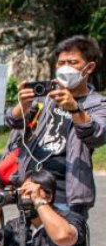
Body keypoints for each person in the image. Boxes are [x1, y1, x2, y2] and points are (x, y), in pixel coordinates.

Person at [6, 35, 106, 215]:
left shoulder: (98, 104)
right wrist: (22, 106)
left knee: (63, 233)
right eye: (61, 63)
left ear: (89, 67)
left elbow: (97, 136)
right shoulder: (46, 95)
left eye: (72, 62)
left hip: (65, 193)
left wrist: (75, 109)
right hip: (30, 184)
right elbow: (13, 122)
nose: (65, 67)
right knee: (26, 233)